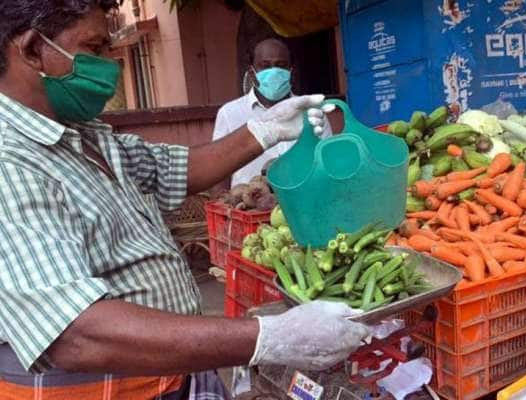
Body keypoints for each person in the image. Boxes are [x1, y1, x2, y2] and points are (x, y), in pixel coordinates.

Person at [0, 1, 368, 399]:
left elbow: (175, 168)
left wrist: (266, 130)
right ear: (33, 48)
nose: (111, 65)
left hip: (172, 376)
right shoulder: (11, 161)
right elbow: (76, 334)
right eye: (95, 48)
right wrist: (272, 336)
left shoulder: (84, 135)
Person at [212, 38, 327, 192]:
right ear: (252, 73)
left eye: (281, 66)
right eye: (265, 66)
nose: (273, 72)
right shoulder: (230, 113)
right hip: (248, 209)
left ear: (291, 71)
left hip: (303, 205)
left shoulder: (311, 111)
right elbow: (219, 172)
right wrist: (225, 208)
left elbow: (326, 161)